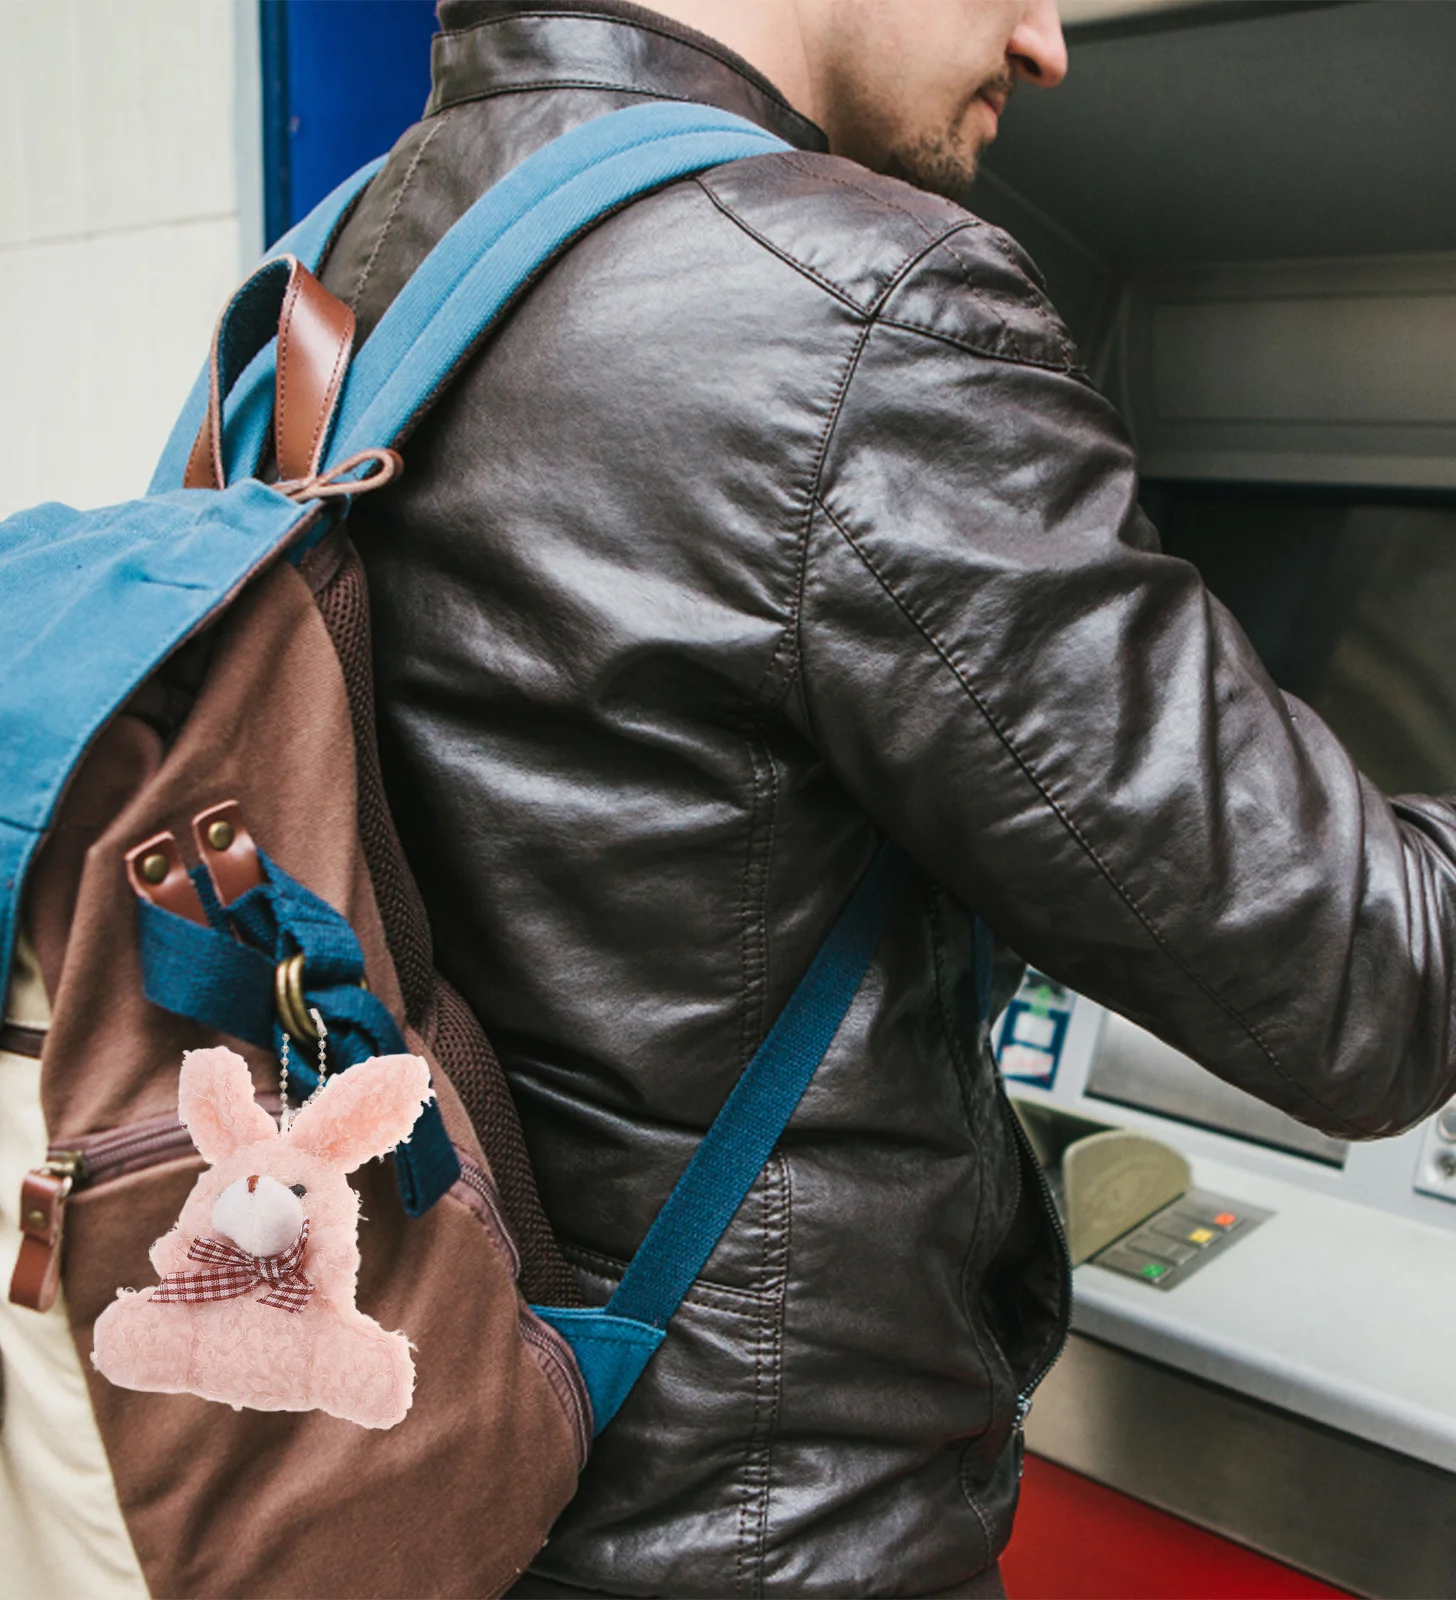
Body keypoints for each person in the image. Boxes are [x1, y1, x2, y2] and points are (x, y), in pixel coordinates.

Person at [318, 3, 1456, 1594]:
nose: (1049, 41)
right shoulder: (851, 305)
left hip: (446, 1475)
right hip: (770, 1536)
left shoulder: (343, 273)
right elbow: (1370, 979)